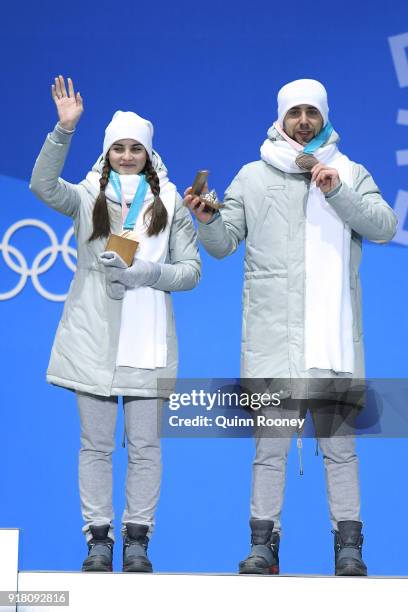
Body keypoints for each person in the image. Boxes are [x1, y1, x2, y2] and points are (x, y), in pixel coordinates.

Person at [184, 79, 397, 576]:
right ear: (280, 119)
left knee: (340, 451)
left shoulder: (349, 171)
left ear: (324, 118)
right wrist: (207, 218)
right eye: (295, 113)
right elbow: (221, 243)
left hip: (332, 345)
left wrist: (337, 191)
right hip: (273, 341)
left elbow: (384, 226)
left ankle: (349, 548)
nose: (303, 121)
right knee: (270, 451)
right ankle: (264, 545)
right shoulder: (253, 177)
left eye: (312, 113)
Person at [30, 76, 200, 573]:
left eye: (136, 149)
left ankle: (138, 540)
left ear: (149, 154)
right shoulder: (86, 199)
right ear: (106, 154)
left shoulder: (170, 204)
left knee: (146, 449)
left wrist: (148, 272)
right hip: (94, 342)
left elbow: (190, 273)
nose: (127, 156)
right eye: (118, 149)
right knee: (96, 447)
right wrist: (63, 131)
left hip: (147, 345)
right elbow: (42, 185)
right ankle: (98, 540)